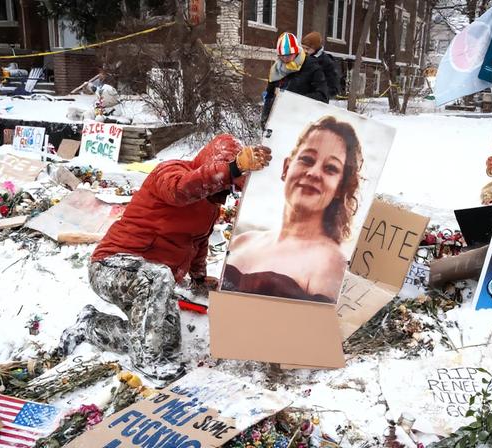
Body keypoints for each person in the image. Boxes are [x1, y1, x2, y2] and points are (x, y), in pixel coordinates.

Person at [59, 135, 272, 378]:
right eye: (227, 181)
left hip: (152, 279)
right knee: (156, 279)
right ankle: (147, 363)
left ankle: (90, 325)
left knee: (165, 345)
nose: (226, 189)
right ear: (213, 164)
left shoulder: (210, 208)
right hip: (112, 265)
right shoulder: (170, 172)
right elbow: (181, 191)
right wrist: (232, 168)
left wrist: (199, 278)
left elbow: (198, 243)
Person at [223, 116, 363, 303]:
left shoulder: (331, 265)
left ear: (340, 188)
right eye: (307, 159)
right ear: (286, 168)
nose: (313, 173)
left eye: (330, 168)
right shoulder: (241, 241)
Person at [261, 32, 328, 128]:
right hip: (280, 121)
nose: (284, 59)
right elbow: (269, 96)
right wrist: (265, 119)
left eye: (288, 55)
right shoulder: (276, 70)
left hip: (302, 122)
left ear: (296, 52)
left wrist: (295, 100)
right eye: (281, 56)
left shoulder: (312, 67)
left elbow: (323, 96)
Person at [301, 32, 341, 101]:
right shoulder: (302, 58)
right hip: (301, 99)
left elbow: (334, 87)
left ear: (315, 48)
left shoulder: (327, 62)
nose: (305, 51)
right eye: (303, 48)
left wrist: (320, 94)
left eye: (307, 49)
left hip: (317, 102)